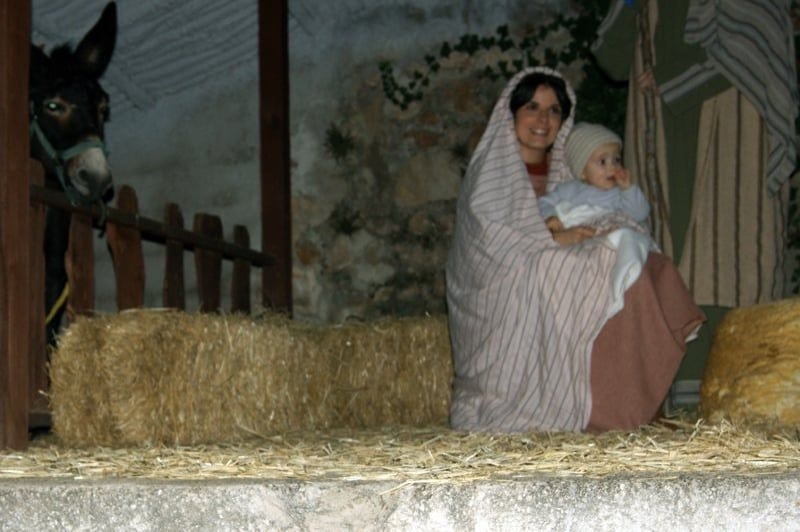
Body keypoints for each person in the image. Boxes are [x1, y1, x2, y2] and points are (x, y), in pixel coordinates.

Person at [446, 66, 705, 433]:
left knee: (628, 264)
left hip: (568, 270)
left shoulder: (569, 175)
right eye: (532, 107)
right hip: (506, 288)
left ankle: (626, 407)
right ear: (511, 114)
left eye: (554, 110)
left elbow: (606, 214)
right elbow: (488, 246)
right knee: (566, 269)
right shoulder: (489, 176)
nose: (543, 120)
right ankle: (580, 407)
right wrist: (553, 241)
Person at [591, 0, 798, 391]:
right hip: (660, 146)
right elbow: (612, 59)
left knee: (729, 261)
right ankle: (679, 397)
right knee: (669, 268)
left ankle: (734, 394)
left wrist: (675, 77)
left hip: (732, 139)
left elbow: (756, 46)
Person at [540, 122, 650, 235]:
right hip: (579, 237)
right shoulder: (568, 189)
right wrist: (550, 216)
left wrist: (628, 189)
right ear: (582, 172)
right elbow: (543, 203)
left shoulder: (619, 194)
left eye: (616, 160)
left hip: (609, 237)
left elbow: (640, 215)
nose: (612, 167)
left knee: (629, 237)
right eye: (602, 162)